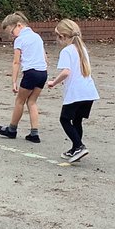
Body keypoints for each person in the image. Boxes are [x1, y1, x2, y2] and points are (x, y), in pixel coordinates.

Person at [46, 19, 99, 162]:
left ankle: (79, 146)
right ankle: (76, 149)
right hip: (89, 92)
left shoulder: (67, 51)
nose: (57, 39)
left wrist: (53, 82)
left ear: (63, 36)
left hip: (76, 93)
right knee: (77, 121)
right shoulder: (82, 48)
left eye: (57, 36)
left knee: (64, 119)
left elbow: (66, 72)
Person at [0, 12, 47, 143]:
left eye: (11, 32)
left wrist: (14, 81)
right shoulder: (37, 36)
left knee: (20, 101)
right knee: (32, 101)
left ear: (19, 25)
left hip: (31, 73)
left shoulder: (20, 40)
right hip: (42, 72)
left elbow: (16, 62)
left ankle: (12, 129)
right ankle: (34, 133)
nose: (12, 36)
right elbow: (45, 57)